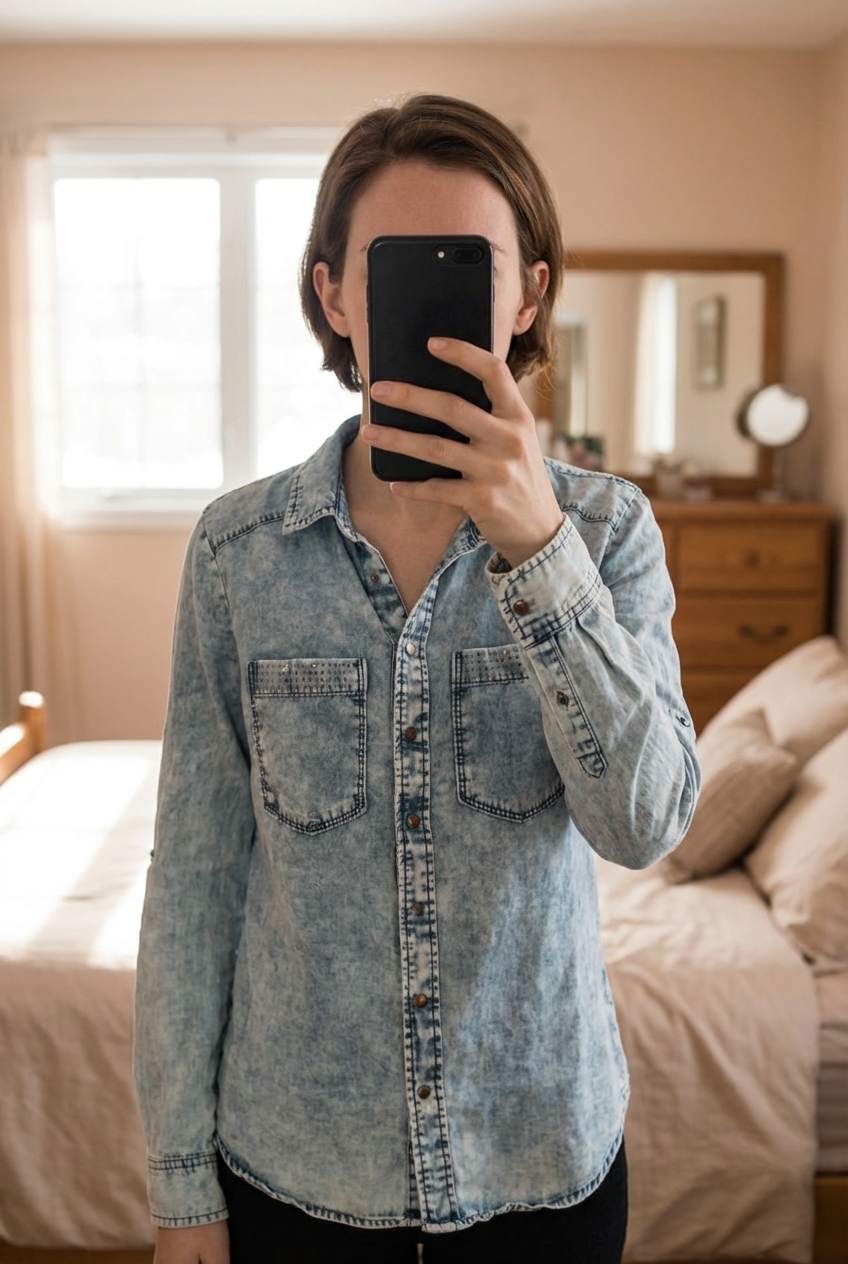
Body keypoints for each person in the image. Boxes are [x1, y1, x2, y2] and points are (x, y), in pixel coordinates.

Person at [134, 94, 700, 1264]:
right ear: (334, 292)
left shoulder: (610, 533)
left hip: (540, 1166)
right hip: (294, 1173)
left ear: (526, 294)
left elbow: (645, 822)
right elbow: (194, 880)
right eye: (391, 269)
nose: (429, 304)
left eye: (468, 266)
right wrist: (182, 1187)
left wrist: (539, 552)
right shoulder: (238, 555)